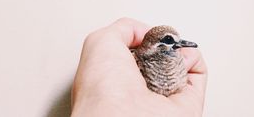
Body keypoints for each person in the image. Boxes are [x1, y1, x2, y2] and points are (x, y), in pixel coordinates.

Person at [70, 18, 208, 117]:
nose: (179, 44)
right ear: (155, 45)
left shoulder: (177, 59)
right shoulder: (137, 60)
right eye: (169, 40)